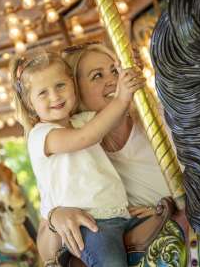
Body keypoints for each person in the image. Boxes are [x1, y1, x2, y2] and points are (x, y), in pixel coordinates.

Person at [36, 42, 173, 262]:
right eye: (97, 76)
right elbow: (45, 252)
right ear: (74, 91)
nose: (113, 81)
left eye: (114, 71)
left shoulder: (157, 121)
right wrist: (55, 218)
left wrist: (167, 206)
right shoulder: (73, 155)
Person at [10, 50, 146, 267]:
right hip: (88, 225)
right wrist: (121, 97)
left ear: (72, 85)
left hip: (118, 214)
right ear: (29, 103)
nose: (55, 96)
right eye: (43, 93)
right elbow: (86, 137)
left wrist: (128, 74)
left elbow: (114, 115)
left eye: (60, 86)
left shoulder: (83, 120)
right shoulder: (41, 135)